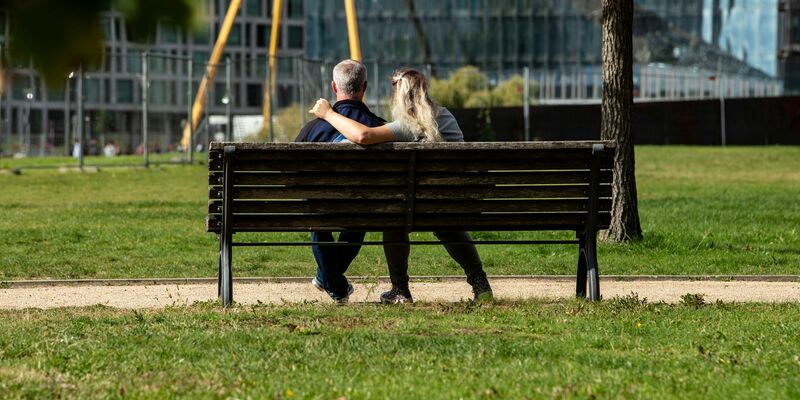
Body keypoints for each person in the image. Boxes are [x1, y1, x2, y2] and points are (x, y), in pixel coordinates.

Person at [310, 68, 494, 303]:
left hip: (410, 210)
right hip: (451, 205)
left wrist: (328, 114)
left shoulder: (406, 126)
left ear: (398, 96)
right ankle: (480, 283)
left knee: (394, 220)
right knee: (445, 222)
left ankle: (400, 289)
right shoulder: (446, 117)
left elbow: (363, 136)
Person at [296, 59, 386, 303]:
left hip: (320, 208)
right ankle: (329, 279)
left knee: (316, 213)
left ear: (334, 87)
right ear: (364, 86)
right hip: (361, 207)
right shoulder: (379, 128)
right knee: (360, 214)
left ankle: (329, 279)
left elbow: (293, 175)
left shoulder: (312, 129)